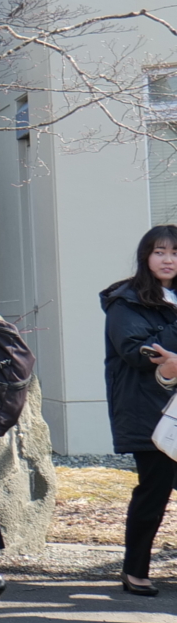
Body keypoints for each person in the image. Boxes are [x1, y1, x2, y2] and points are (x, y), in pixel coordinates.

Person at [100, 224, 177, 596]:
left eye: (175, 253)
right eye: (160, 252)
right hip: (148, 412)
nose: (168, 260)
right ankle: (135, 570)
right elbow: (137, 351)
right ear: (146, 256)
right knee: (154, 492)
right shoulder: (126, 301)